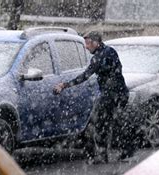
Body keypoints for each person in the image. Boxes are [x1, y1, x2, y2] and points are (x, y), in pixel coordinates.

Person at [53, 31, 133, 164]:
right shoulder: (108, 52)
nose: (86, 46)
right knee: (113, 123)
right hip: (117, 94)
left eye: (88, 43)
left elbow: (86, 75)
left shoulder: (102, 55)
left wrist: (65, 85)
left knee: (101, 123)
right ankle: (123, 151)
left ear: (96, 42)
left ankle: (106, 154)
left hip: (113, 95)